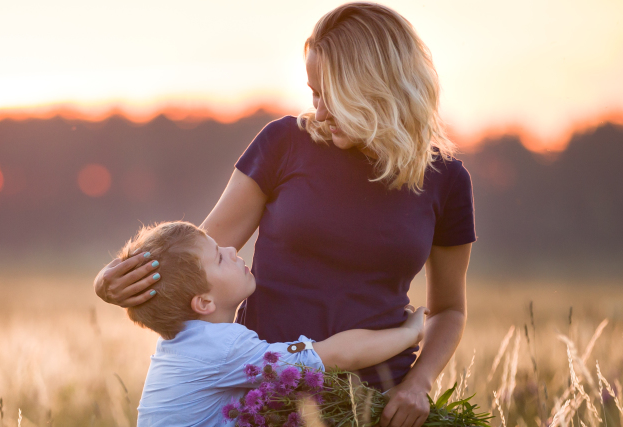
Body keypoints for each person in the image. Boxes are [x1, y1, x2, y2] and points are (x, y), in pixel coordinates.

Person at [94, 3, 474, 427]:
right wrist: (110, 279)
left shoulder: (447, 180)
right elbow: (197, 261)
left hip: (376, 406)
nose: (321, 111)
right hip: (267, 399)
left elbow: (448, 311)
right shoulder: (283, 144)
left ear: (379, 89)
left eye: (333, 95)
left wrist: (418, 384)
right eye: (314, 93)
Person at [117, 221, 427, 426]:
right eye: (220, 258)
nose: (232, 250)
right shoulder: (223, 347)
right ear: (204, 302)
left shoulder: (181, 343)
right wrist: (408, 333)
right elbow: (335, 355)